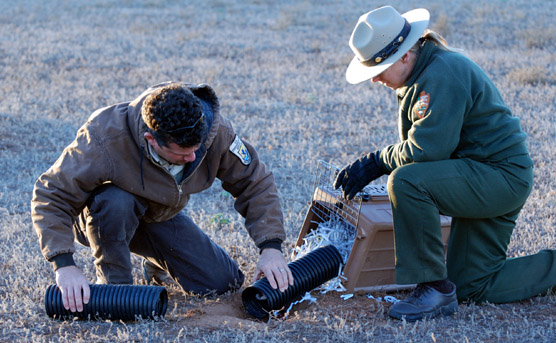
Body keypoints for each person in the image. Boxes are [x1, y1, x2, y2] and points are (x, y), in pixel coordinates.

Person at [334, 6, 556, 322]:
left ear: (403, 56)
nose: (376, 80)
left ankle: (433, 288)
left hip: (498, 177)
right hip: (485, 174)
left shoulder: (440, 73)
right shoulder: (422, 70)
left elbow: (425, 151)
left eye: (379, 69)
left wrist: (377, 161)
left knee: (407, 181)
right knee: (472, 286)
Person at [32, 82, 294, 313]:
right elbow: (51, 194)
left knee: (222, 282)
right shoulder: (105, 136)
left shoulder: (216, 132)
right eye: (182, 153)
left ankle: (156, 265)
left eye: (197, 148)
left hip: (158, 214)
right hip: (103, 217)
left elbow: (255, 182)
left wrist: (271, 247)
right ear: (151, 139)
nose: (192, 158)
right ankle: (113, 287)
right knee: (115, 201)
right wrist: (64, 265)